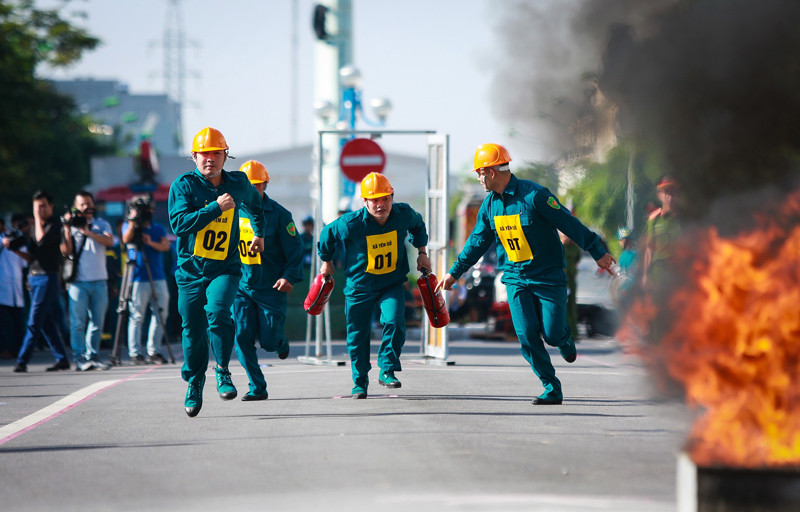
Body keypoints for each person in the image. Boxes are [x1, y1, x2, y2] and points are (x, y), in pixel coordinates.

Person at [437, 143, 616, 405]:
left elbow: (568, 223)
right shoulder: (489, 206)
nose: (479, 178)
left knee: (552, 333)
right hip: (515, 277)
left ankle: (563, 338)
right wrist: (455, 273)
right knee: (526, 334)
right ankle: (550, 386)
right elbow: (477, 242)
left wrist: (597, 251)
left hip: (548, 277)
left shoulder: (536, 196)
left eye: (480, 173)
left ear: (492, 171)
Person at [168, 127, 265, 417]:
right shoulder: (183, 186)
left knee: (220, 310)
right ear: (194, 156)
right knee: (192, 330)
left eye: (215, 154)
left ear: (226, 155)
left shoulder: (238, 182)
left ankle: (222, 369)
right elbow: (180, 224)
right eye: (204, 154)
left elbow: (256, 206)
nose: (209, 159)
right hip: (190, 271)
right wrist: (215, 208)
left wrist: (258, 233)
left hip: (224, 267)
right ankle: (195, 382)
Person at [317, 172, 431, 399]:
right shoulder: (350, 224)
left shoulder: (404, 214)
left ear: (392, 196)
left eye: (385, 199)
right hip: (359, 286)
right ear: (365, 202)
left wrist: (422, 252)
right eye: (375, 200)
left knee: (395, 321)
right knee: (357, 336)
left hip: (391, 283)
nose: (381, 205)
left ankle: (387, 369)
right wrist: (327, 262)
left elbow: (419, 226)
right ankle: (359, 382)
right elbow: (326, 235)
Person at [233, 160, 304, 401]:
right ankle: (257, 387)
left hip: (271, 288)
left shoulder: (281, 215)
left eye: (257, 187)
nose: (252, 192)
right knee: (241, 336)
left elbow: (295, 252)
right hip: (241, 287)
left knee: (269, 341)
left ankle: (280, 342)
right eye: (247, 187)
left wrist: (288, 277)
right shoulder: (229, 212)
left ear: (265, 185)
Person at [13, 191, 70, 372]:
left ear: (51, 206)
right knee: (45, 322)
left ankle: (22, 360)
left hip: (47, 278)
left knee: (34, 320)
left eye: (43, 205)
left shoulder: (54, 226)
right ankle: (62, 359)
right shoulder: (36, 227)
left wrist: (36, 220)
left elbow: (41, 240)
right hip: (34, 277)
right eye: (37, 206)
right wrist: (13, 248)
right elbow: (32, 257)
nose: (40, 209)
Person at [63, 191, 114, 371]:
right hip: (78, 282)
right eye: (82, 204)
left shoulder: (101, 224)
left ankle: (92, 356)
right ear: (76, 207)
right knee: (77, 322)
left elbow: (110, 242)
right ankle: (79, 358)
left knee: (97, 322)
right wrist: (69, 228)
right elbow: (66, 251)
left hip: (100, 280)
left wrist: (87, 231)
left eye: (88, 203)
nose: (86, 207)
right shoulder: (71, 227)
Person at [121, 195, 170, 365]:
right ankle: (135, 353)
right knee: (137, 315)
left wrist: (150, 243)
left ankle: (153, 351)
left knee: (160, 313)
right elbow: (125, 240)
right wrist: (133, 222)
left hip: (157, 276)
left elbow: (166, 246)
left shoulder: (158, 228)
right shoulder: (130, 227)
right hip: (138, 277)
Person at [640, 176, 681, 290]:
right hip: (658, 273)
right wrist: (645, 275)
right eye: (666, 192)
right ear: (659, 195)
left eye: (673, 192)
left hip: (678, 274)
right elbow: (649, 249)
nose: (670, 196)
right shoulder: (654, 219)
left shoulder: (685, 219)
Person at [1, 217, 29, 359]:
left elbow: (25, 263)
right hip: (2, 290)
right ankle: (5, 349)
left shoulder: (17, 241)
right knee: (5, 324)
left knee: (19, 322)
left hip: (17, 288)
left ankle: (18, 349)